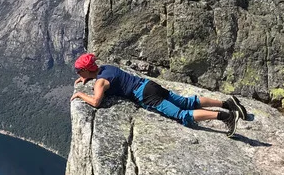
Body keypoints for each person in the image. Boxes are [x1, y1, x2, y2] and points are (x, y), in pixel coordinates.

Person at [69, 53, 247, 137]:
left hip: (146, 96)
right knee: (187, 102)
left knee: (181, 115)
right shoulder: (106, 68)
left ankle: (226, 116)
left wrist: (80, 95)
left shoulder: (100, 82)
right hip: (149, 85)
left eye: (79, 71)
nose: (78, 73)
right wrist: (87, 78)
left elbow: (96, 102)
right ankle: (227, 104)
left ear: (86, 69)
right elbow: (103, 78)